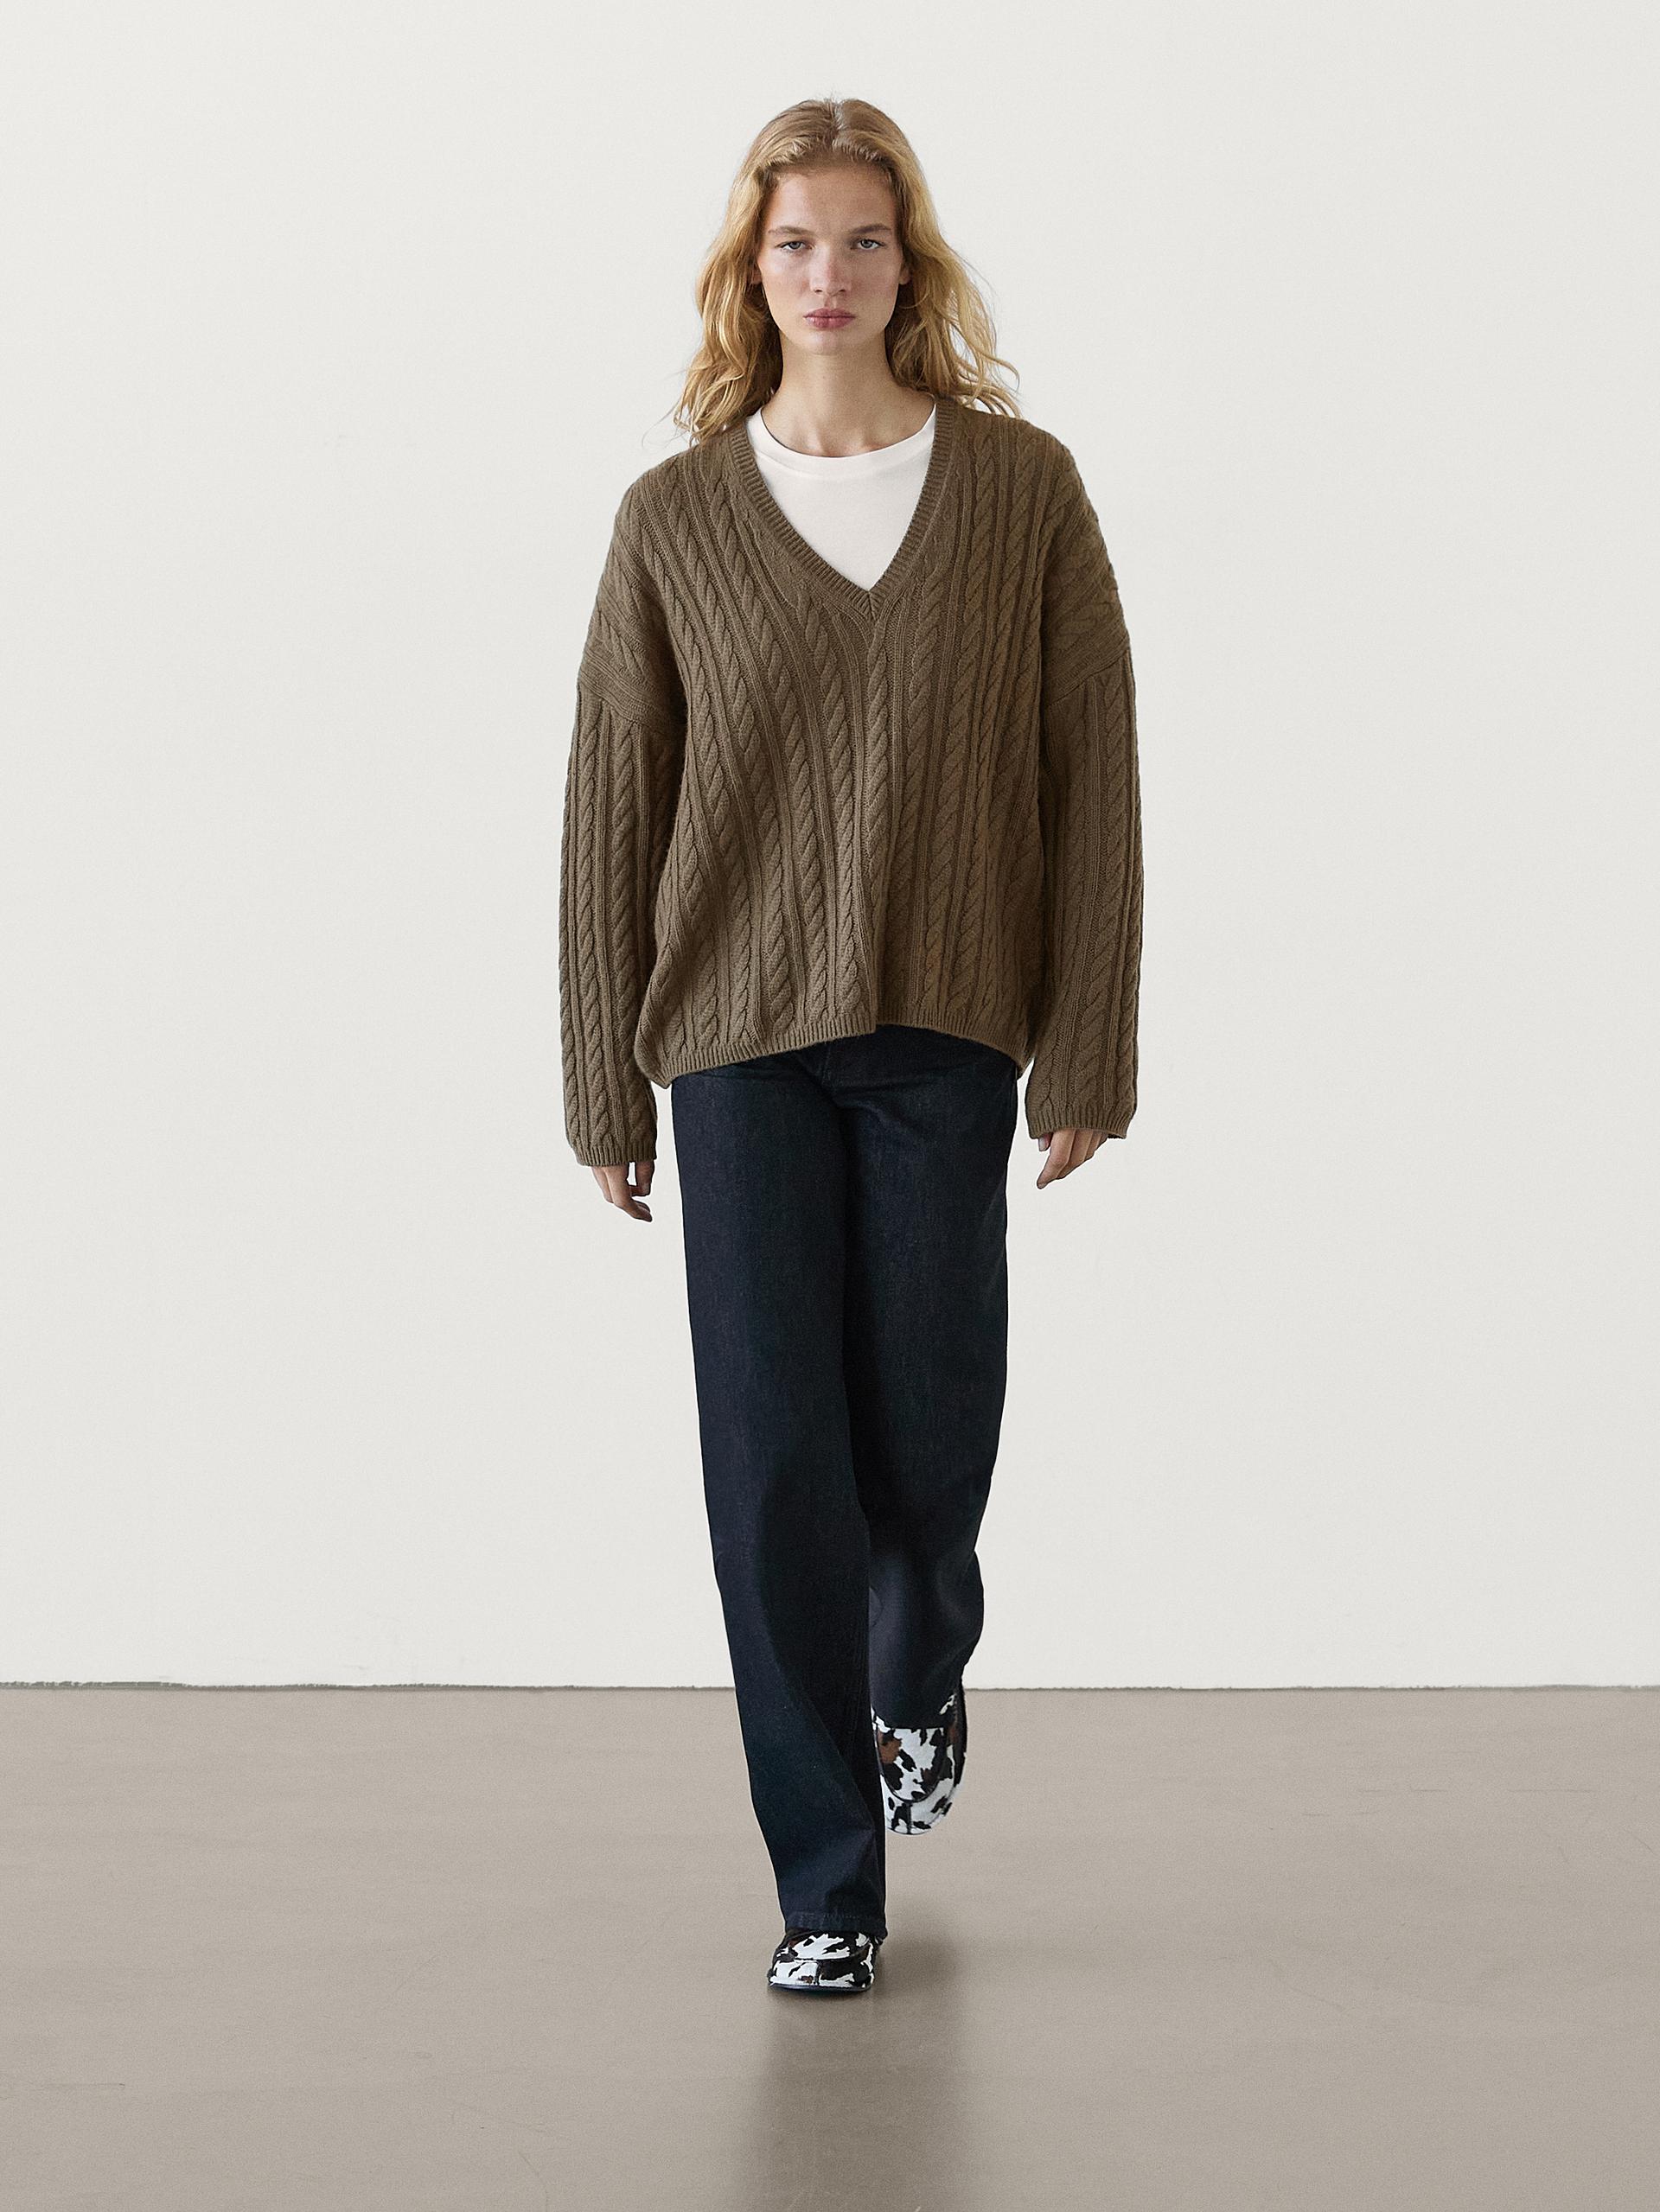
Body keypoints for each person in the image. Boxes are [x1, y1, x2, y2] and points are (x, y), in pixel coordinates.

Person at [558, 97, 1143, 1997]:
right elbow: (612, 810)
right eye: (796, 241)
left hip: (948, 1032)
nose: (831, 273)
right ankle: (828, 1885)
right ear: (753, 268)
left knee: (928, 1442)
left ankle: (919, 1669)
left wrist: (1092, 1041)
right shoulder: (672, 521)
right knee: (772, 1470)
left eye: (864, 240)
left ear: (911, 262)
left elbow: (1096, 774)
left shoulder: (1024, 491)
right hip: (734, 1046)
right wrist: (599, 1076)